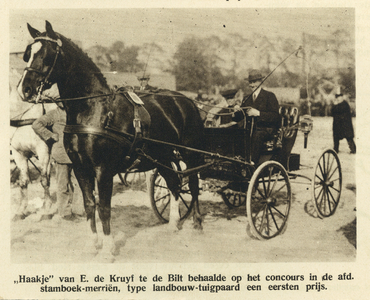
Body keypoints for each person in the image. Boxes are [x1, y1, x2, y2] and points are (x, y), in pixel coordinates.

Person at [32, 104, 77, 221]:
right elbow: (36, 124)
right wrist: (50, 135)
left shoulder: (74, 110)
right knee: (63, 185)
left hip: (77, 153)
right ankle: (65, 213)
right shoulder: (54, 113)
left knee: (79, 184)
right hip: (61, 153)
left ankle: (79, 210)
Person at [233, 69, 280, 164]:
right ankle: (237, 160)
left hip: (266, 130)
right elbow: (239, 117)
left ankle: (252, 163)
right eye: (250, 82)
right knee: (235, 131)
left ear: (260, 82)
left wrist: (258, 113)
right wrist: (236, 111)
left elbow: (276, 117)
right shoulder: (247, 98)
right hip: (250, 129)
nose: (251, 85)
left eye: (254, 82)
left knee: (257, 135)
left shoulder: (269, 96)